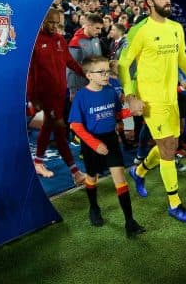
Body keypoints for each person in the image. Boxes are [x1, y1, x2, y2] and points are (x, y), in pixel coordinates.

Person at [119, 0, 186, 223]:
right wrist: (131, 97)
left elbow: (182, 59)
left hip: (172, 96)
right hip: (150, 100)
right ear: (150, 2)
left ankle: (138, 172)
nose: (167, 0)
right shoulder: (138, 31)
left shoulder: (176, 28)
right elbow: (123, 64)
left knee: (169, 144)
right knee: (169, 149)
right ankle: (175, 203)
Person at [68, 55, 146, 238]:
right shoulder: (81, 96)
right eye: (101, 72)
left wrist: (132, 111)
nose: (106, 75)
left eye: (107, 71)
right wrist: (95, 144)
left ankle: (130, 222)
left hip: (110, 139)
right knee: (92, 177)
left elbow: (117, 113)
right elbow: (75, 125)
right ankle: (94, 208)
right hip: (91, 143)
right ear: (89, 75)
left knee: (121, 180)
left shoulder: (110, 91)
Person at [27, 8, 86, 184]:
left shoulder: (60, 40)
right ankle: (75, 172)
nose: (54, 26)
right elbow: (29, 73)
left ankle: (38, 162)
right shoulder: (35, 42)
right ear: (43, 20)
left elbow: (70, 62)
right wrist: (33, 97)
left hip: (60, 94)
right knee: (60, 130)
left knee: (49, 127)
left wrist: (86, 73)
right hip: (46, 96)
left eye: (57, 23)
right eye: (50, 22)